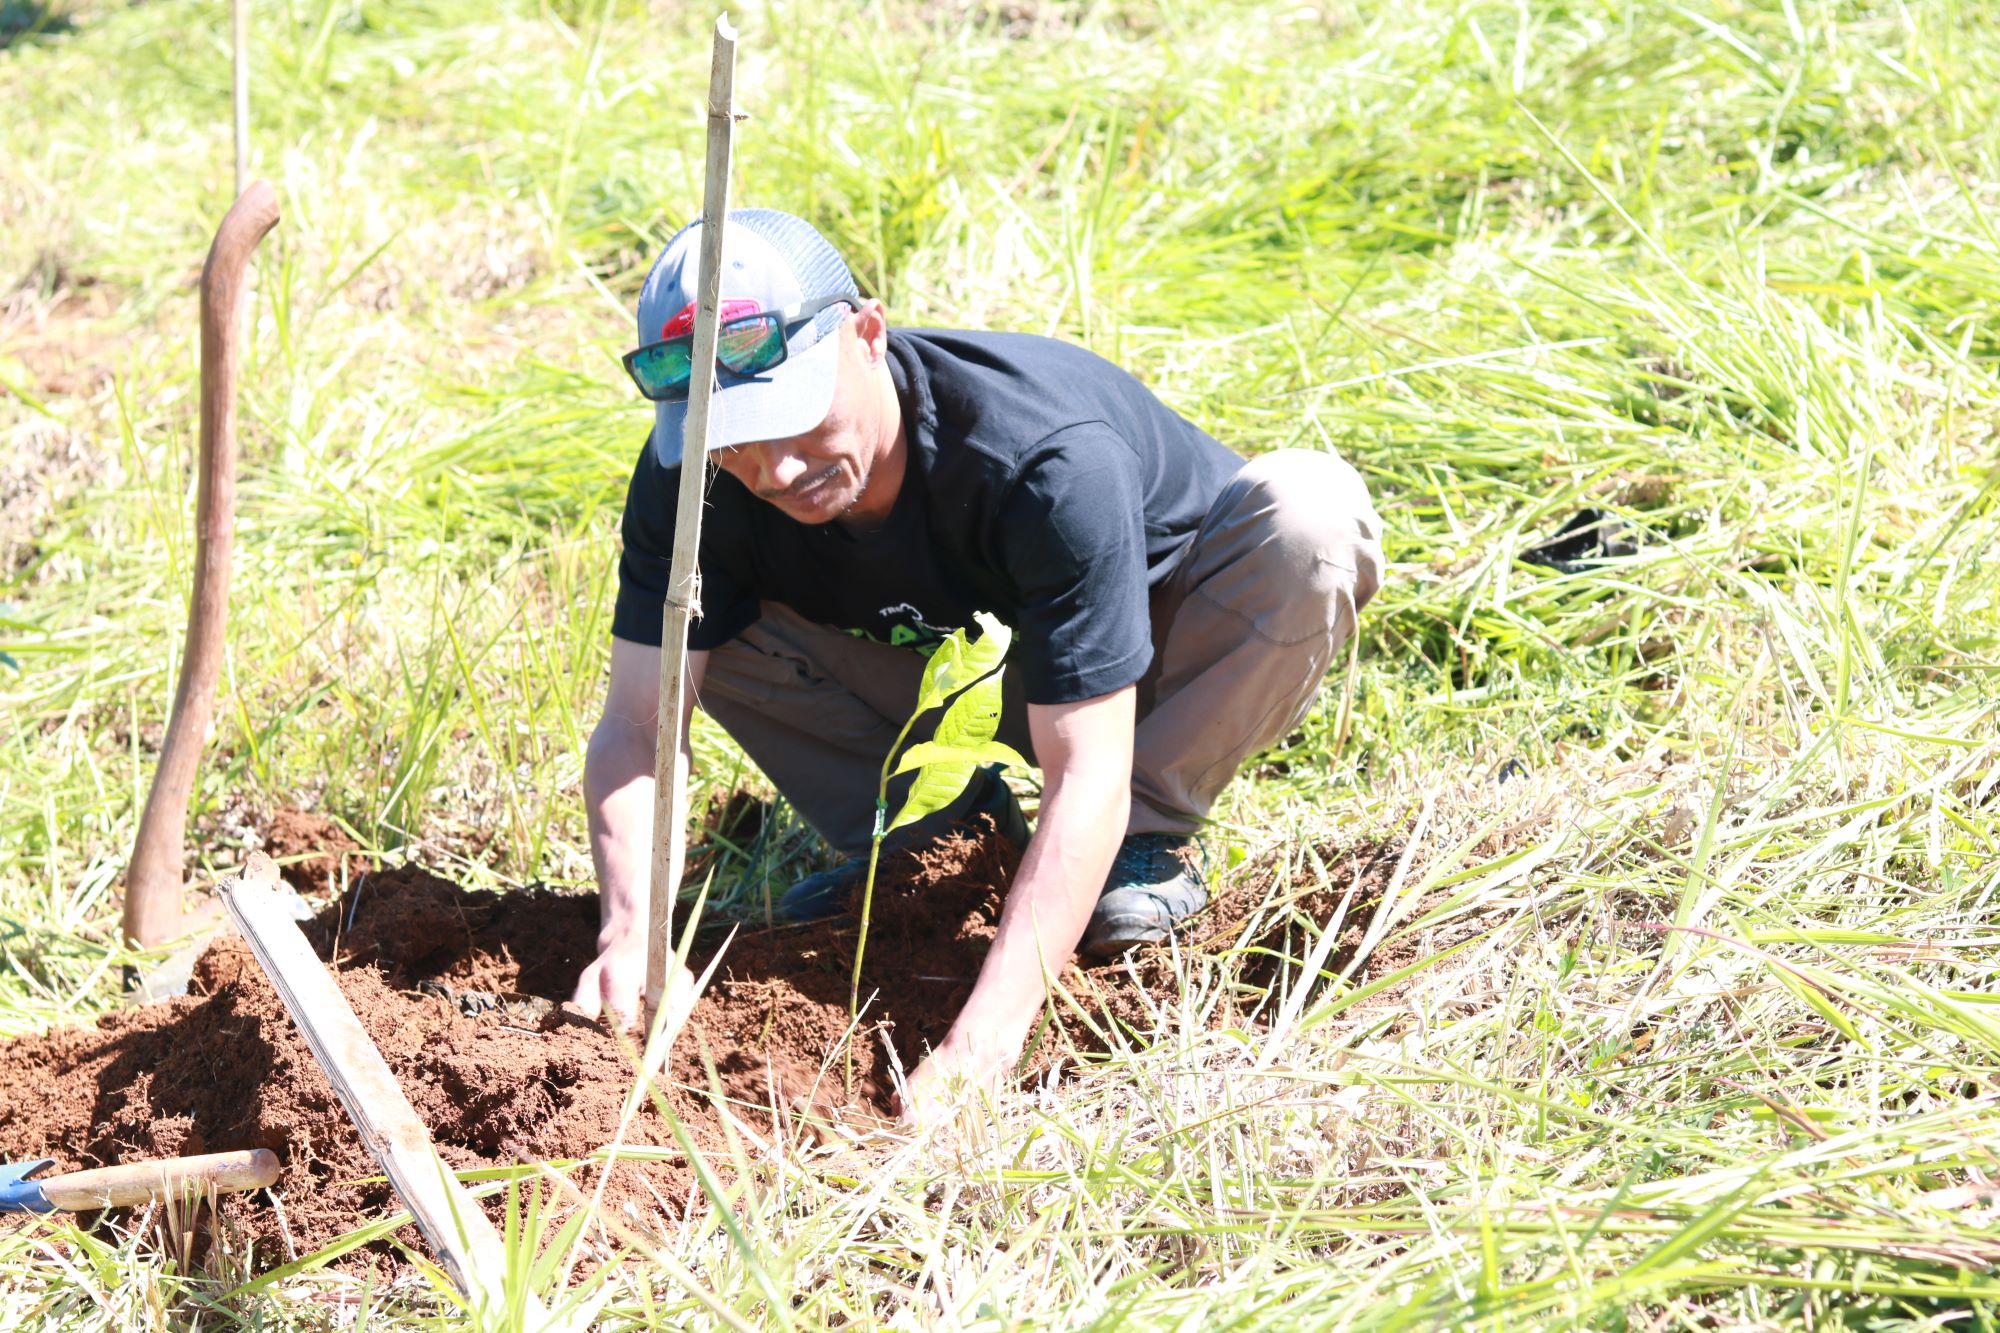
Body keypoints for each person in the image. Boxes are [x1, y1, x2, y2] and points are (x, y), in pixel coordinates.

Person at [571, 209, 1382, 1118]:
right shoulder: (697, 488)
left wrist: (982, 1041)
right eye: (737, 438)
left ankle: (1136, 844)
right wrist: (633, 931)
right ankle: (929, 832)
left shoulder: (1040, 455)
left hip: (1150, 658)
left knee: (1310, 520)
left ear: (867, 335)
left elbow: (1088, 767)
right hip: (966, 662)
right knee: (696, 629)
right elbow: (640, 722)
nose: (778, 466)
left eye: (795, 415)